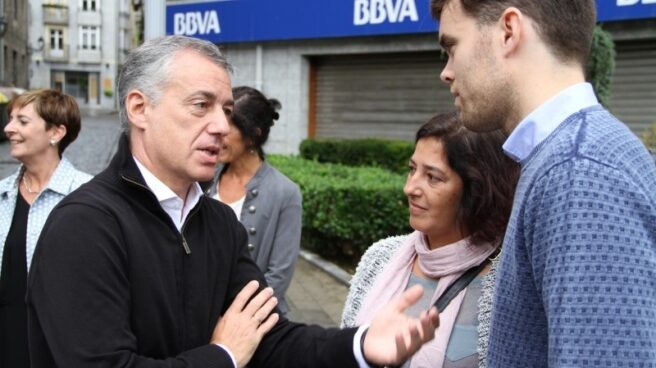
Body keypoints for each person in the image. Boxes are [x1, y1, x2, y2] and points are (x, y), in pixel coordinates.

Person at [26, 35, 438, 368]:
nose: (222, 126)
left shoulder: (220, 224)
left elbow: (270, 337)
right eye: (200, 105)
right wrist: (222, 356)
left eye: (225, 109)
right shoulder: (83, 226)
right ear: (140, 108)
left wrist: (361, 345)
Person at [431, 0, 656, 366]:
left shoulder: (578, 172)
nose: (446, 71)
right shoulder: (568, 156)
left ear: (508, 31)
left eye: (451, 47)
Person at [342, 112, 518, 368]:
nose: (410, 188)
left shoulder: (508, 281)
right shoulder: (379, 258)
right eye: (412, 169)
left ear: (476, 189)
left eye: (432, 177)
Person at [0, 89, 91, 368]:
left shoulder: (88, 196)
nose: (9, 129)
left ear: (56, 132)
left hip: (58, 350)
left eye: (22, 122)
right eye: (11, 119)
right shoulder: (2, 193)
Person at [209, 86, 301, 317]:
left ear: (253, 135)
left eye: (228, 126)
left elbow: (278, 275)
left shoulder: (285, 193)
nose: (216, 131)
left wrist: (234, 321)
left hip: (256, 324)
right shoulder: (203, 182)